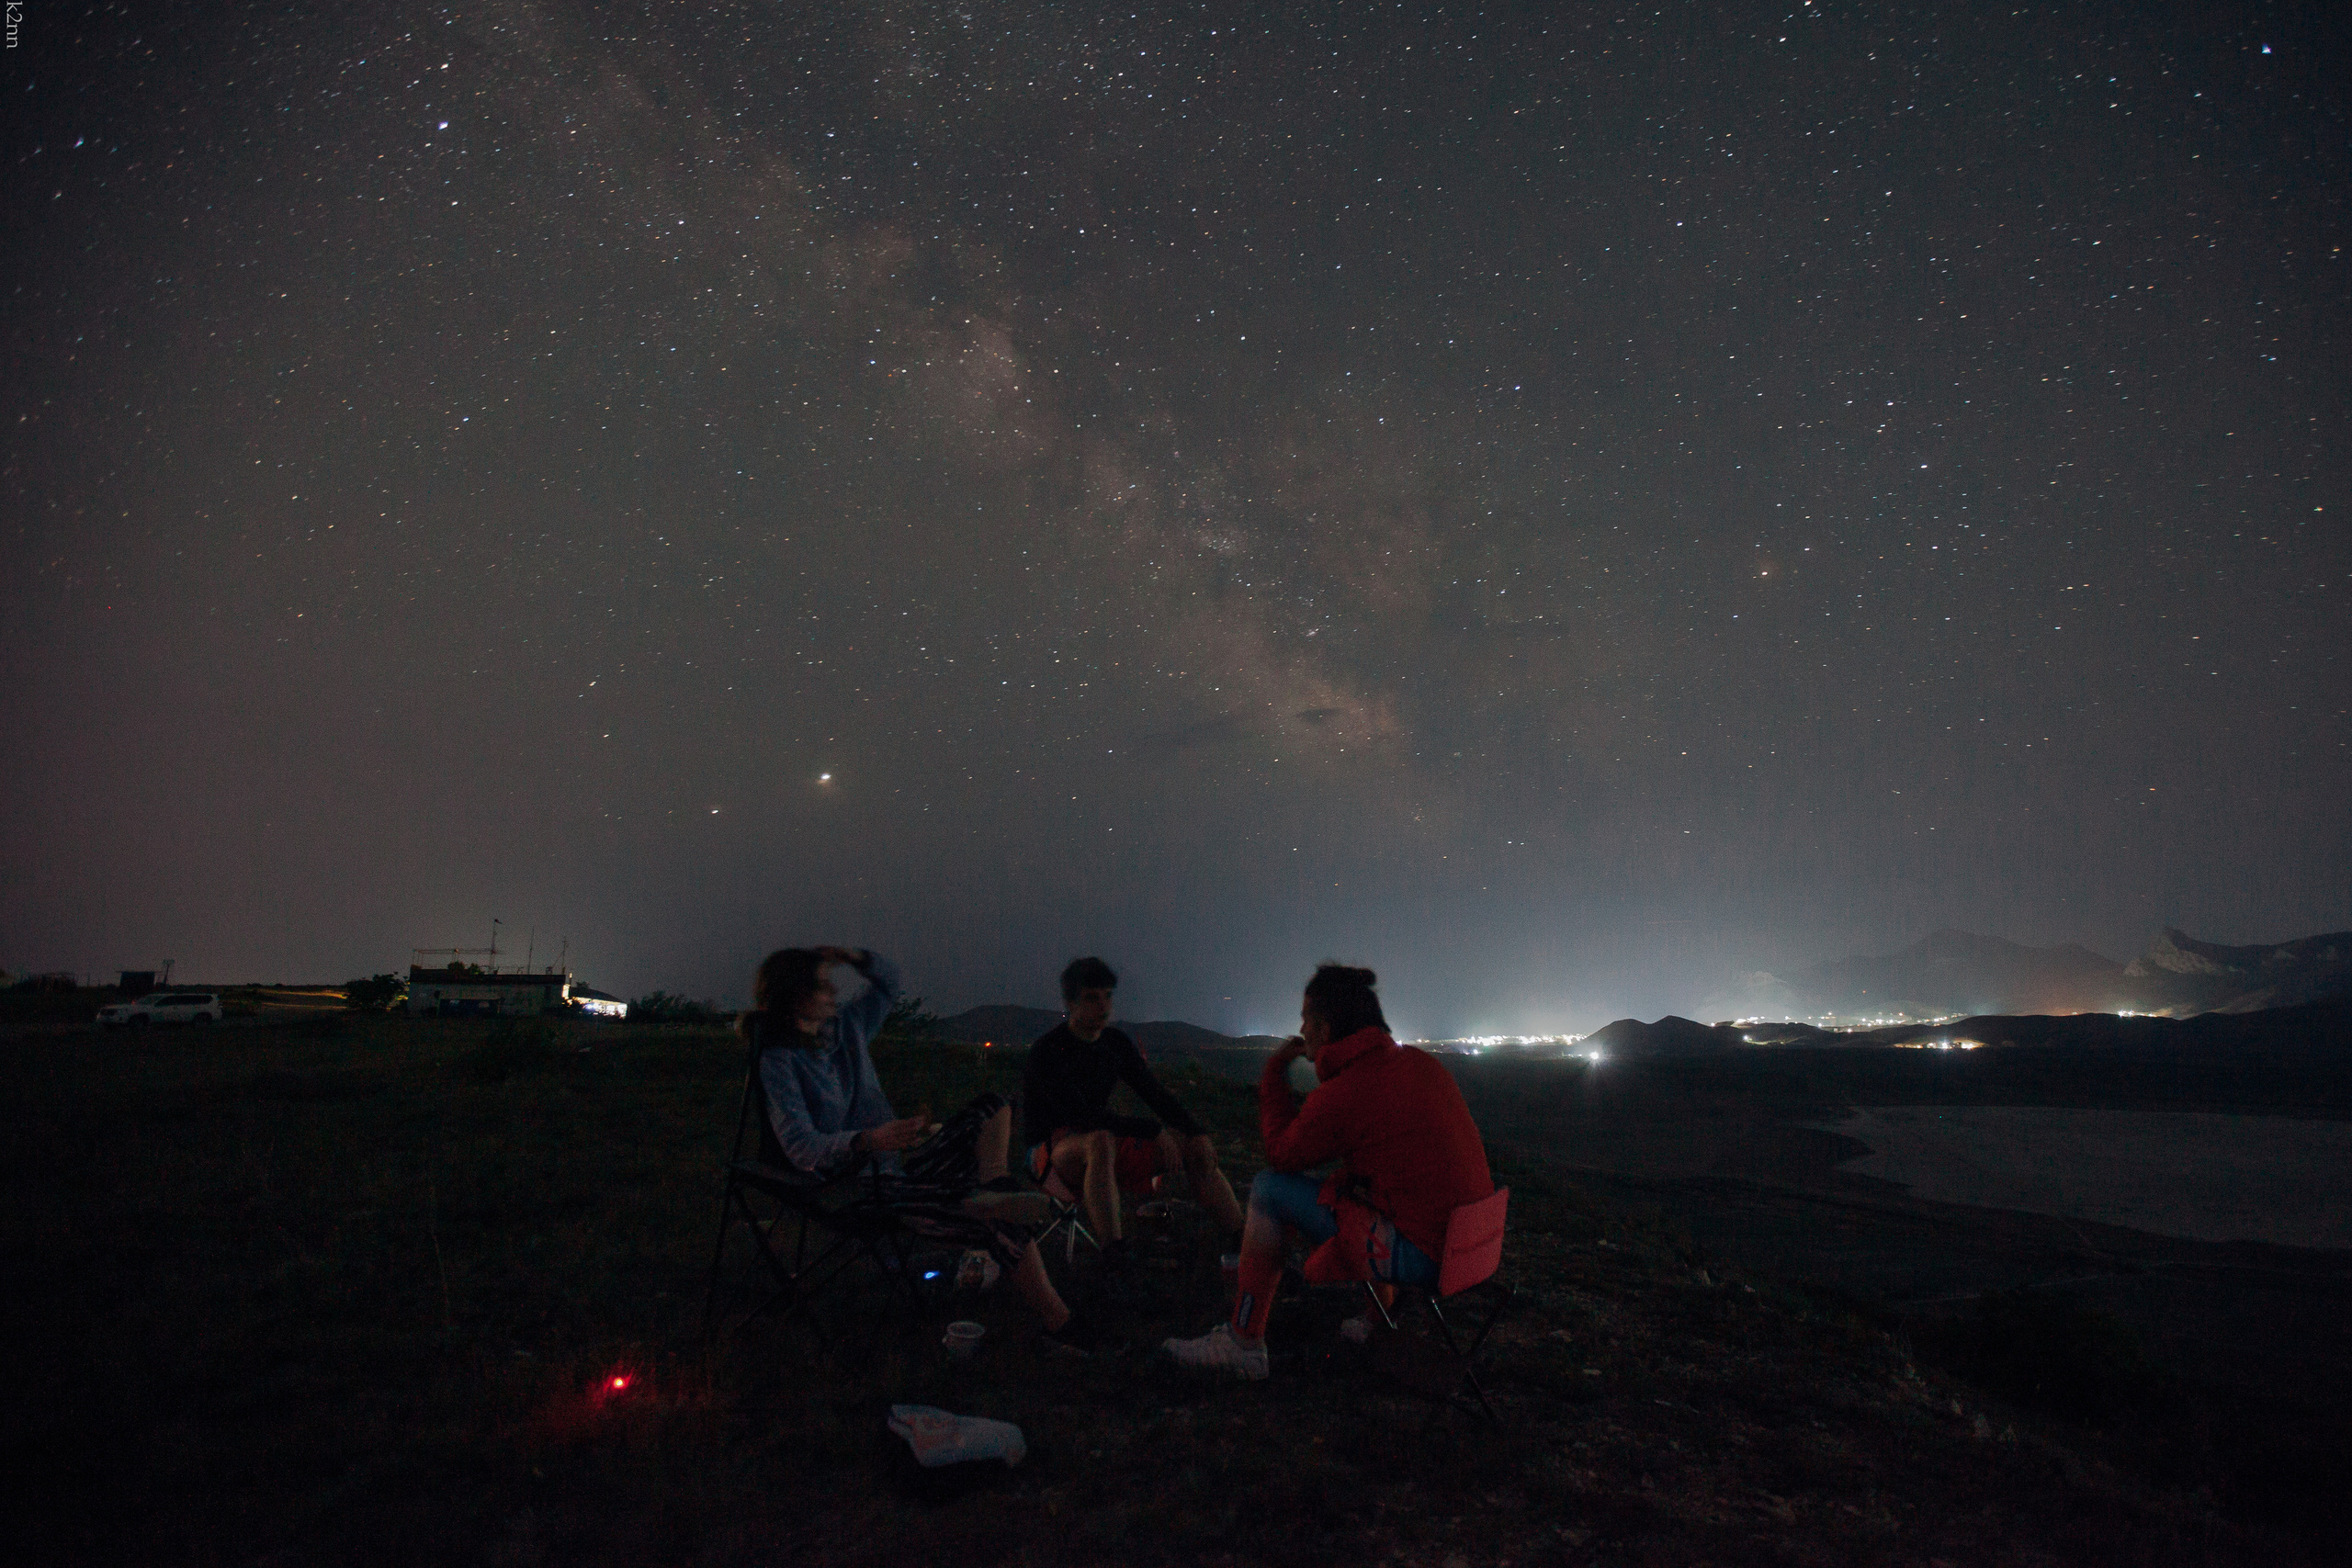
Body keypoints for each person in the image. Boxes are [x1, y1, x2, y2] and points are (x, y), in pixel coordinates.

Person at [748, 944, 1105, 1355]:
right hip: (852, 1187)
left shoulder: (846, 1028)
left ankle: (993, 1189)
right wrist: (867, 1140)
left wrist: (855, 957)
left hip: (893, 1167)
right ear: (796, 996)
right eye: (822, 985)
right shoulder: (779, 1062)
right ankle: (1060, 1322)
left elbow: (890, 984)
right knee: (999, 1226)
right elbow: (800, 1147)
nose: (833, 991)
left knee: (994, 1104)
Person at [1162, 963, 1494, 1379]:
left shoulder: (1350, 1089)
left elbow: (1282, 1156)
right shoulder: (1417, 1063)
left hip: (1430, 1258)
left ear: (1321, 1027)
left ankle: (1243, 1343)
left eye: (1306, 1019)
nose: (1301, 1028)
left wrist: (1274, 1073)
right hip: (1476, 1247)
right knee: (1361, 1191)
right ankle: (1378, 1319)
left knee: (1269, 1190)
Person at [1024, 957, 1247, 1277]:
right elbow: (1081, 1116)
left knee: (1191, 1148)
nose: (1102, 1006)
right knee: (1099, 1140)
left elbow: (1153, 1092)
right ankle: (1115, 1257)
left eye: (1107, 997)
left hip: (1101, 1137)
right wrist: (1153, 1130)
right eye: (1091, 998)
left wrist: (1195, 1132)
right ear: (1070, 1002)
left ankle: (1243, 1240)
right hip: (1048, 1151)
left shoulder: (1114, 1044)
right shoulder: (1049, 1051)